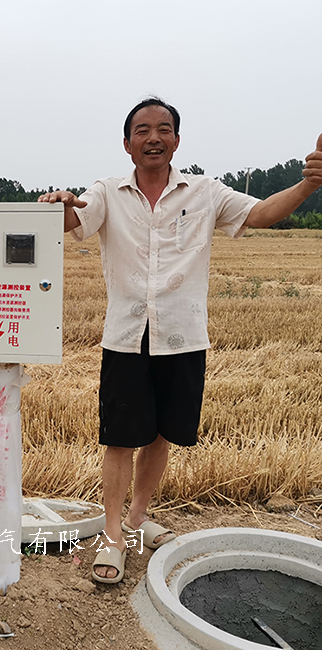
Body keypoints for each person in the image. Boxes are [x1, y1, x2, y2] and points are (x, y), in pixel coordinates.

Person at [38, 97, 322, 583]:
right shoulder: (107, 192)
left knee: (162, 435)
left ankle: (136, 519)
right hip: (126, 337)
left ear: (176, 139)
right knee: (120, 440)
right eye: (143, 130)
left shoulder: (205, 192)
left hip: (184, 337)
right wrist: (57, 206)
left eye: (164, 128)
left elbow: (260, 214)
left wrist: (309, 184)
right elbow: (71, 222)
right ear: (126, 144)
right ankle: (112, 537)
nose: (154, 137)